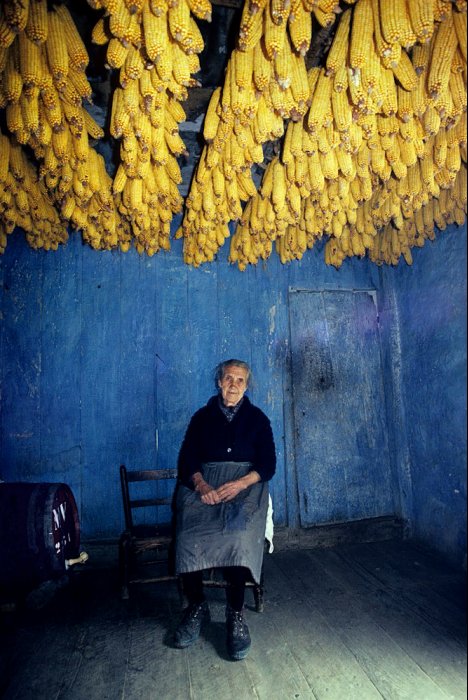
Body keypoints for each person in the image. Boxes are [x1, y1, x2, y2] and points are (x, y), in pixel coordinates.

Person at [173, 359, 276, 660]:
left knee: (239, 537)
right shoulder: (201, 418)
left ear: (247, 386)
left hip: (246, 487)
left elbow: (267, 464)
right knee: (188, 536)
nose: (233, 385)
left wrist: (242, 483)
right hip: (205, 485)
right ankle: (196, 605)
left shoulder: (258, 420)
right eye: (228, 378)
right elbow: (187, 461)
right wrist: (201, 486)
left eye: (240, 380)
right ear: (218, 382)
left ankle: (235, 614)